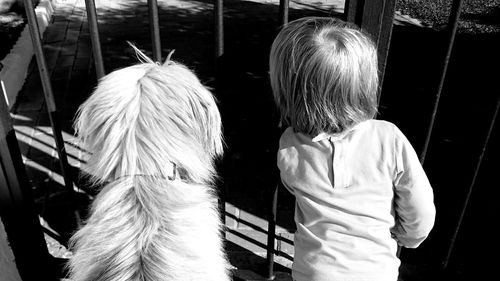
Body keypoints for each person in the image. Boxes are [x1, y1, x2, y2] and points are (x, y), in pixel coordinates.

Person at [269, 17, 436, 281]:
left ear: (288, 92)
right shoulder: (389, 138)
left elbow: (293, 186)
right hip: (377, 273)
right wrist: (407, 237)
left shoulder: (290, 146)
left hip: (314, 273)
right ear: (365, 82)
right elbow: (421, 210)